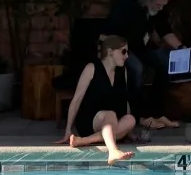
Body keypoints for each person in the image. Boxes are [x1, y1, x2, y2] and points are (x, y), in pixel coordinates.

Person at [107, 0, 182, 128]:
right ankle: (139, 116)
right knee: (137, 69)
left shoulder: (156, 8)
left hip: (140, 46)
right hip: (120, 46)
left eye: (164, 5)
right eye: (159, 4)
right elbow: (114, 32)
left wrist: (181, 48)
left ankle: (157, 113)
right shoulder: (127, 4)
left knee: (165, 64)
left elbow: (164, 29)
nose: (161, 8)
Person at [57, 34, 137, 164]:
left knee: (130, 119)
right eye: (123, 51)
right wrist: (68, 130)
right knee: (110, 114)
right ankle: (113, 151)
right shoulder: (92, 68)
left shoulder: (123, 72)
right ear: (110, 51)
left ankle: (85, 140)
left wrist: (130, 132)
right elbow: (76, 99)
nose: (127, 56)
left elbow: (125, 99)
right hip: (90, 119)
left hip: (112, 121)